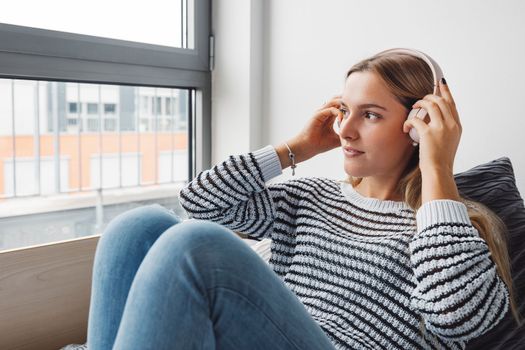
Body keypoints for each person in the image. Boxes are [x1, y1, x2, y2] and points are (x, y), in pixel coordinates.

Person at [87, 48, 518, 349]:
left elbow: (459, 316)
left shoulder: (453, 226)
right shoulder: (310, 197)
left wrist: (437, 164)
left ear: (417, 124)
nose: (346, 129)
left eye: (370, 115)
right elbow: (202, 202)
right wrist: (300, 147)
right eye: (344, 111)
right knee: (136, 227)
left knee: (194, 246)